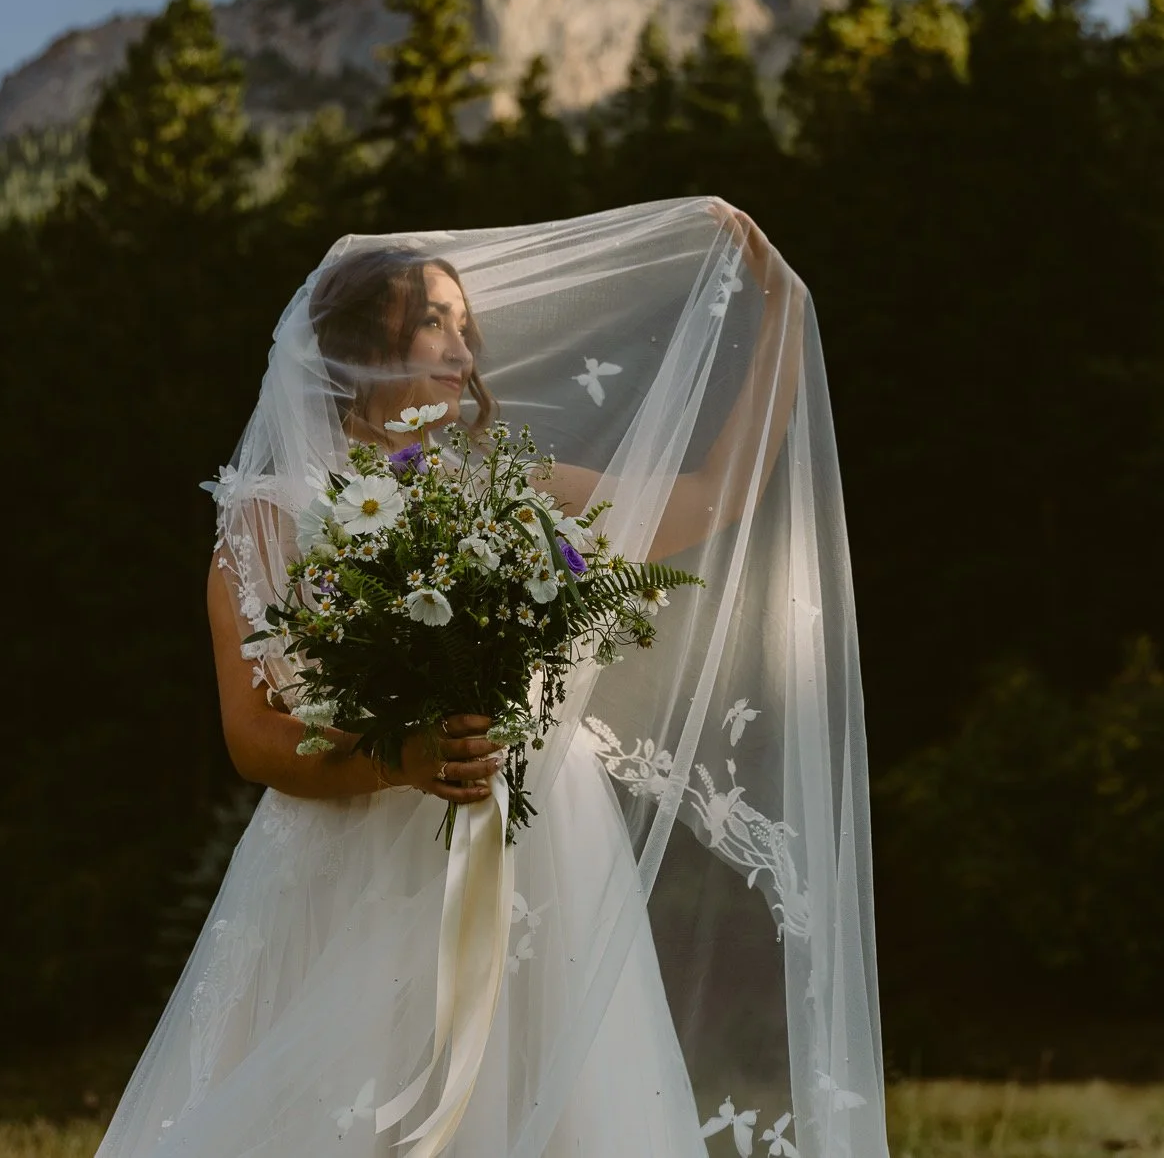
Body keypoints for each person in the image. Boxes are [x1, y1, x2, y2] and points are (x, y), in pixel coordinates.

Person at [95, 198, 888, 1158]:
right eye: (434, 320)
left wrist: (783, 318)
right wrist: (400, 758)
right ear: (352, 348)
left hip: (536, 848)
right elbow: (252, 734)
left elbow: (713, 495)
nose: (462, 349)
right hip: (347, 869)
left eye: (466, 328)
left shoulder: (507, 487)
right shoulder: (267, 518)